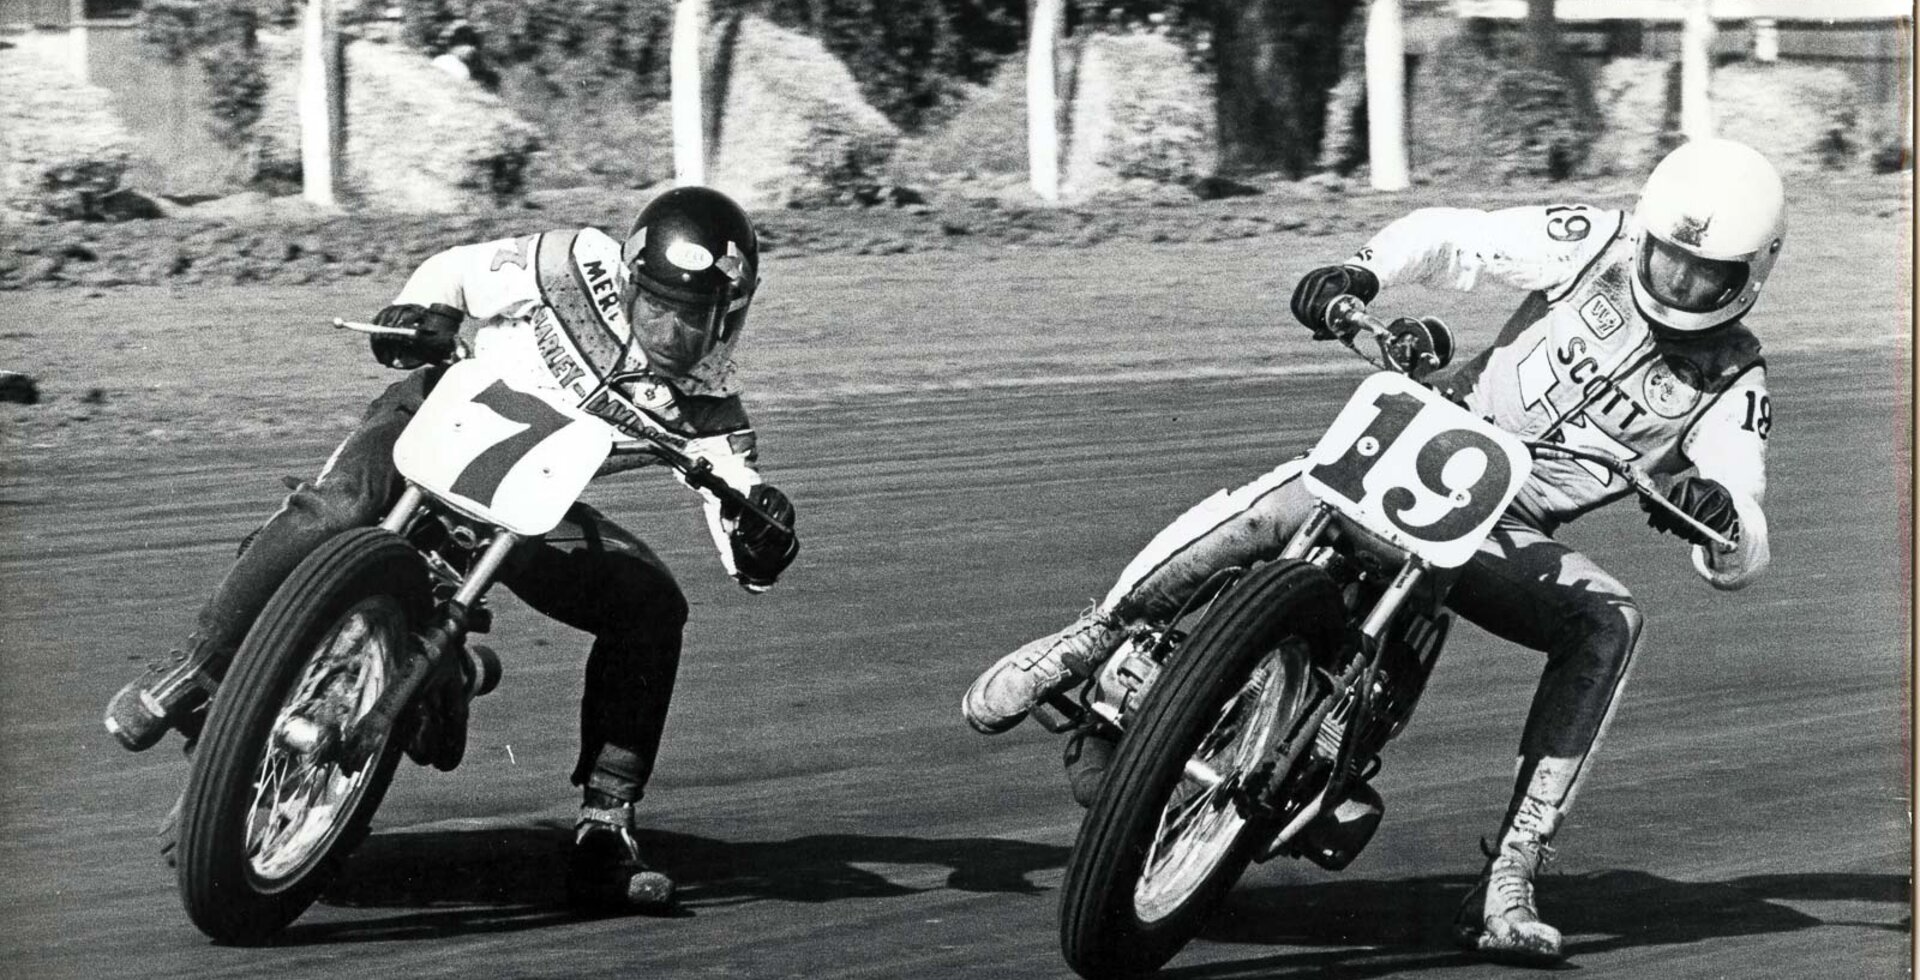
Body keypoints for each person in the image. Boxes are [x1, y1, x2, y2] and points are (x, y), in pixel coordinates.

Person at [962, 138, 1782, 963]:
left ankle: (1511, 871)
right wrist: (1361, 272)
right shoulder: (1593, 239)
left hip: (1511, 527)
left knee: (1613, 621)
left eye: (1704, 274)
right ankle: (1093, 635)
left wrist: (1716, 517)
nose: (1679, 283)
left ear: (1748, 276)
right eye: (1671, 257)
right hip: (1433, 433)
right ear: (1647, 231)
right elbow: (1455, 237)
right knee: (1289, 494)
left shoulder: (1733, 377)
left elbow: (1745, 535)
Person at [105, 186, 800, 912]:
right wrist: (420, 312)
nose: (672, 331)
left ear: (730, 316)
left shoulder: (714, 407)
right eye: (657, 306)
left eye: (694, 317)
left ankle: (606, 825)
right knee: (339, 506)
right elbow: (461, 270)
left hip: (527, 500)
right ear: (628, 281)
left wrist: (761, 538)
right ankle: (195, 663)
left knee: (652, 607)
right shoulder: (573, 263)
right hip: (431, 415)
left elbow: (740, 518)